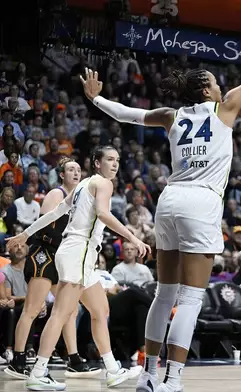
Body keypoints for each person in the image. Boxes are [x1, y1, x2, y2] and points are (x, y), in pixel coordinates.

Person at [79, 2, 241, 391]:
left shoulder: (172, 114)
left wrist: (95, 98)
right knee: (189, 298)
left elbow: (125, 115)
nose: (221, 84)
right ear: (207, 88)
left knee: (164, 293)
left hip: (168, 200)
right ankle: (173, 381)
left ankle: (149, 375)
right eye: (216, 81)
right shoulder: (226, 108)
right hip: (201, 201)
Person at [6, 146, 150, 391]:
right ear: (96, 163)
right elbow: (103, 214)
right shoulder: (103, 184)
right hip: (78, 251)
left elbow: (55, 213)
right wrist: (133, 238)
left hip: (77, 253)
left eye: (117, 160)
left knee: (100, 309)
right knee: (61, 313)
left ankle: (112, 369)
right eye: (109, 160)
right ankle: (38, 372)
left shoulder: (83, 185)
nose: (114, 165)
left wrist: (25, 234)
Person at [5, 158, 102, 380]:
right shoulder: (56, 194)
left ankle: (74, 359)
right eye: (71, 170)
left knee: (68, 310)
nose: (76, 173)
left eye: (78, 170)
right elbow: (46, 225)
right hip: (44, 254)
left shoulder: (80, 197)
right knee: (32, 308)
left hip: (62, 257)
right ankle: (18, 360)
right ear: (61, 175)